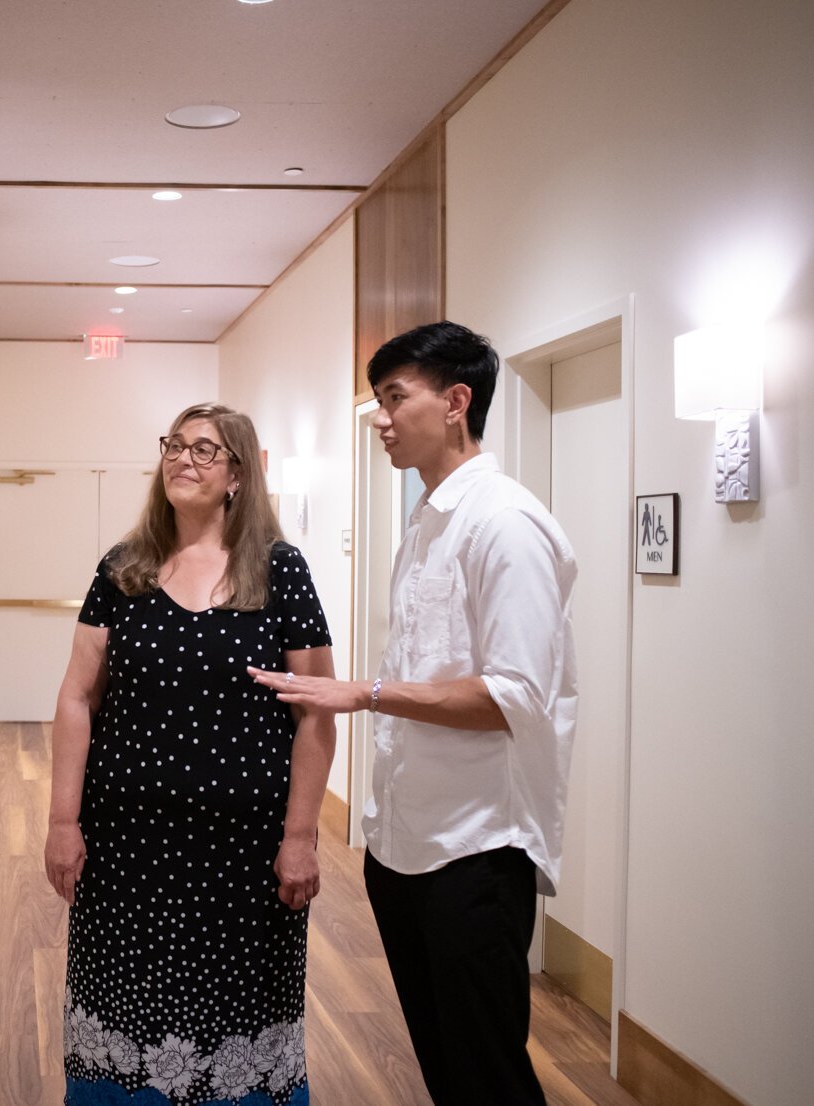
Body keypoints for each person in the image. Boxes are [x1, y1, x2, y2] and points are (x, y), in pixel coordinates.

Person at [249, 321, 577, 1106]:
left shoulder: (505, 523)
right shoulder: (428, 520)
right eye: (378, 401)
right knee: (445, 1065)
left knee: (486, 1072)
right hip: (405, 845)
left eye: (396, 398)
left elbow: (515, 697)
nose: (382, 419)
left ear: (457, 401)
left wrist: (361, 692)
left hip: (475, 850)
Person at [44, 403, 336, 1106]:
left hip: (242, 857)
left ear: (238, 474)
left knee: (235, 1007)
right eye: (175, 445)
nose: (183, 458)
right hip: (127, 850)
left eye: (206, 450)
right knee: (123, 1001)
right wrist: (62, 821)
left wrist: (300, 837)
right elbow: (77, 698)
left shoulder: (278, 571)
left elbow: (317, 710)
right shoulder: (124, 570)